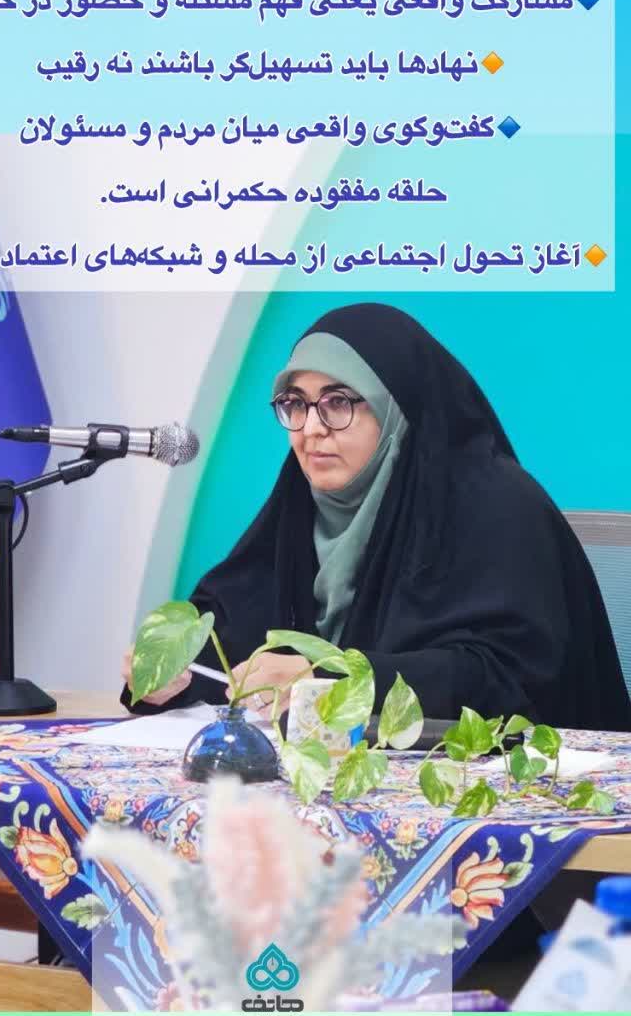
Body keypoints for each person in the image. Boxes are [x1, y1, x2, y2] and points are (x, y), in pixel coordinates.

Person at [120, 302, 631, 731]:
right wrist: (174, 674)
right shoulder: (300, 507)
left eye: (337, 403)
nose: (311, 429)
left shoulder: (499, 507)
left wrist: (330, 679)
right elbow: (230, 636)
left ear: (396, 410)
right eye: (295, 404)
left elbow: (505, 680)